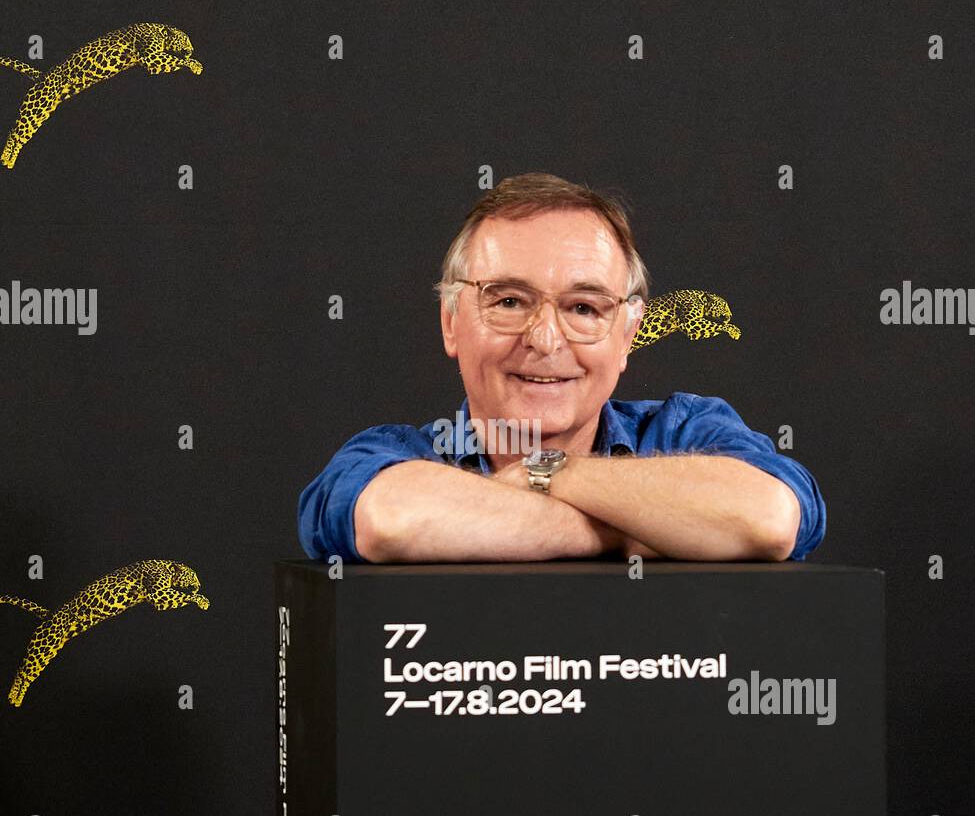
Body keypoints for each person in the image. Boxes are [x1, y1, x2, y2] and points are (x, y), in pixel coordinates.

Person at [297, 173, 826, 564]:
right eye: (507, 301)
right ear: (451, 323)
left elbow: (770, 516)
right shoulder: (394, 456)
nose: (546, 339)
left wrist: (544, 474)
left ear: (627, 335)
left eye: (583, 308)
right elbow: (394, 520)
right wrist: (632, 528)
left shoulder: (688, 431)